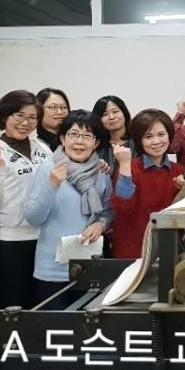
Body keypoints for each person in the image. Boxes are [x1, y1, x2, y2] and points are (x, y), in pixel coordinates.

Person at [25, 110, 113, 308]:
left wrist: (101, 224)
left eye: (87, 136)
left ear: (96, 143)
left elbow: (108, 211)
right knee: (55, 325)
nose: (79, 141)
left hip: (90, 266)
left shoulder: (101, 172)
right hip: (52, 270)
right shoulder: (48, 169)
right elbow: (33, 218)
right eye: (73, 134)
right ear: (63, 139)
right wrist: (52, 184)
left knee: (88, 324)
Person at [0, 90, 52, 309]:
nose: (25, 123)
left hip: (42, 239)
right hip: (9, 243)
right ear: (5, 116)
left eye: (32, 117)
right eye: (19, 115)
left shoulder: (42, 148)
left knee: (40, 305)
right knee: (12, 308)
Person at [111, 109, 185, 259]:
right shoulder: (129, 168)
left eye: (161, 134)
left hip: (169, 252)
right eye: (148, 136)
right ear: (139, 140)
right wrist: (124, 165)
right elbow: (123, 209)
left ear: (169, 135)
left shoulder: (179, 171)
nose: (156, 141)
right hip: (133, 252)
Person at [92, 95, 133, 175]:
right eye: (105, 114)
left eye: (115, 112)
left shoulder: (139, 142)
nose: (111, 117)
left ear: (124, 113)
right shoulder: (96, 146)